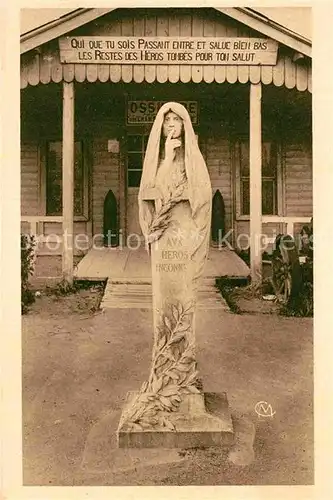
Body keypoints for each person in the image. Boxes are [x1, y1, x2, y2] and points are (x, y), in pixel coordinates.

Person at [138, 102, 212, 286]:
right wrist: (168, 158)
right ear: (161, 126)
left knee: (183, 281)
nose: (171, 124)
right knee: (164, 282)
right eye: (167, 120)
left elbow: (203, 191)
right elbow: (150, 189)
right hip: (162, 226)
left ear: (184, 124)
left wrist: (187, 193)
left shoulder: (192, 156)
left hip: (186, 223)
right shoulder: (157, 157)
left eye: (176, 119)